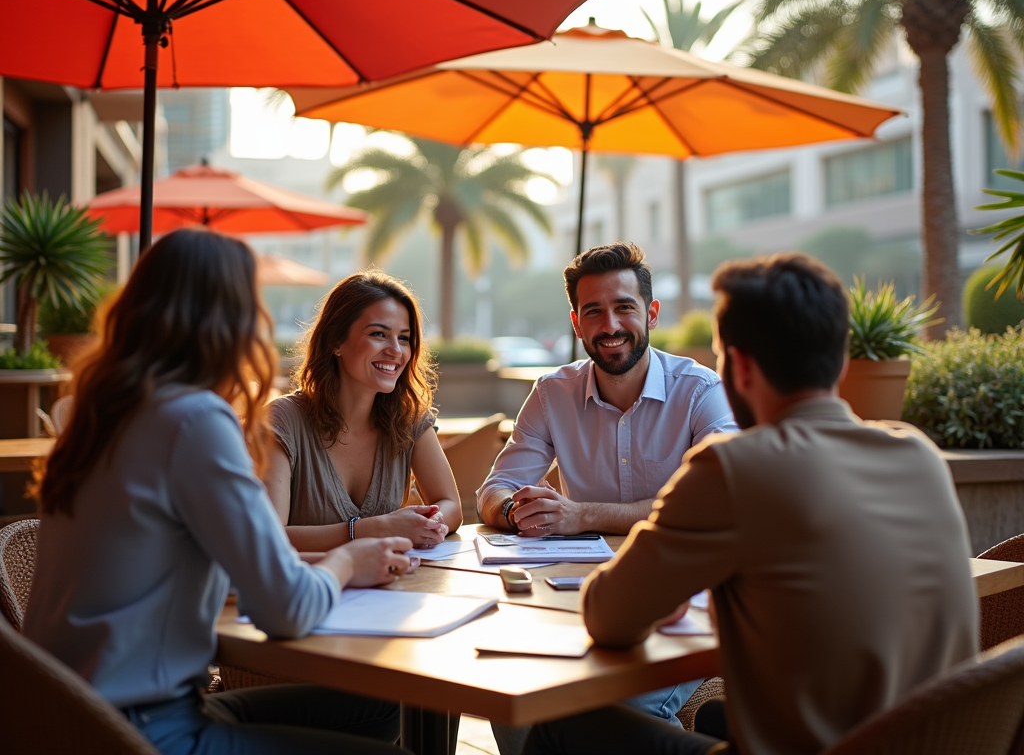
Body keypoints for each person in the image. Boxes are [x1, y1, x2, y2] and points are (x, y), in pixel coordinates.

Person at [522, 253, 980, 755]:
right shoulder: (919, 455)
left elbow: (607, 617)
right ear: (841, 359)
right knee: (716, 715)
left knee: (554, 722)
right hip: (932, 739)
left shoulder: (733, 468)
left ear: (737, 366)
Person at [23, 229, 415, 755]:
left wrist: (335, 556)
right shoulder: (195, 421)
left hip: (64, 716)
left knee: (377, 706)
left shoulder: (104, 416)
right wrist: (345, 562)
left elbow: (200, 561)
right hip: (142, 729)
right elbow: (285, 609)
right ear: (232, 319)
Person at [477, 242, 737, 753]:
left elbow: (720, 505)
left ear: (651, 313)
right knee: (509, 693)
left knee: (607, 712)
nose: (610, 325)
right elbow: (492, 491)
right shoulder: (553, 392)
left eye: (624, 308)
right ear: (576, 322)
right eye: (594, 311)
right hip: (575, 603)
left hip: (686, 611)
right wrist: (517, 510)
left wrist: (581, 515)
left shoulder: (701, 391)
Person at [264, 270, 462, 551]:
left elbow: (451, 505)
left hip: (388, 588)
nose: (395, 350)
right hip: (310, 592)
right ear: (336, 342)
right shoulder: (283, 420)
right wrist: (376, 529)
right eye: (379, 334)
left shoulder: (408, 418)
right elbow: (268, 539)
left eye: (404, 338)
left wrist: (427, 522)